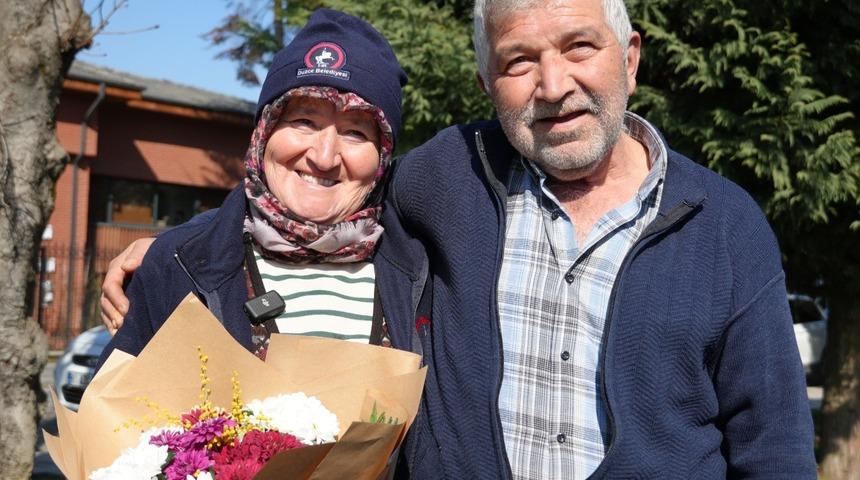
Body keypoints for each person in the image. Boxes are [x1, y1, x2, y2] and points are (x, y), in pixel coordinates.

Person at [101, 0, 817, 478]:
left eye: (579, 47)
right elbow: (311, 190)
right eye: (518, 61)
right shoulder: (449, 178)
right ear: (486, 81)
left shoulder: (725, 226)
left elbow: (774, 445)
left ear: (630, 57)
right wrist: (178, 245)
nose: (554, 84)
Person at [98, 8, 408, 366]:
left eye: (355, 132)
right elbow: (112, 414)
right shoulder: (176, 266)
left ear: (382, 155)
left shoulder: (422, 270)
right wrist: (173, 249)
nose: (324, 157)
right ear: (264, 135)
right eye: (304, 121)